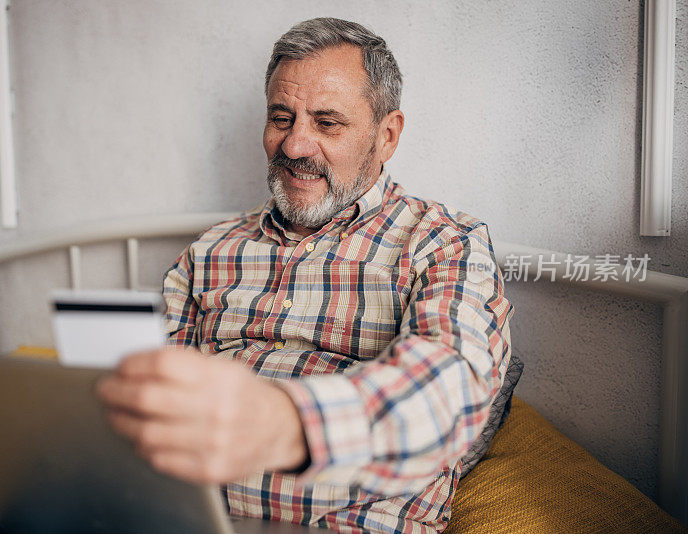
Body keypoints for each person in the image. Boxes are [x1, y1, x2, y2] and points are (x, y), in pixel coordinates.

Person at [97, 17, 513, 533]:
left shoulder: (444, 243)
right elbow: (143, 401)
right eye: (281, 117)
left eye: (327, 122)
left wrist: (285, 423)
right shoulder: (209, 251)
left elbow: (447, 392)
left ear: (387, 135)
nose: (294, 147)